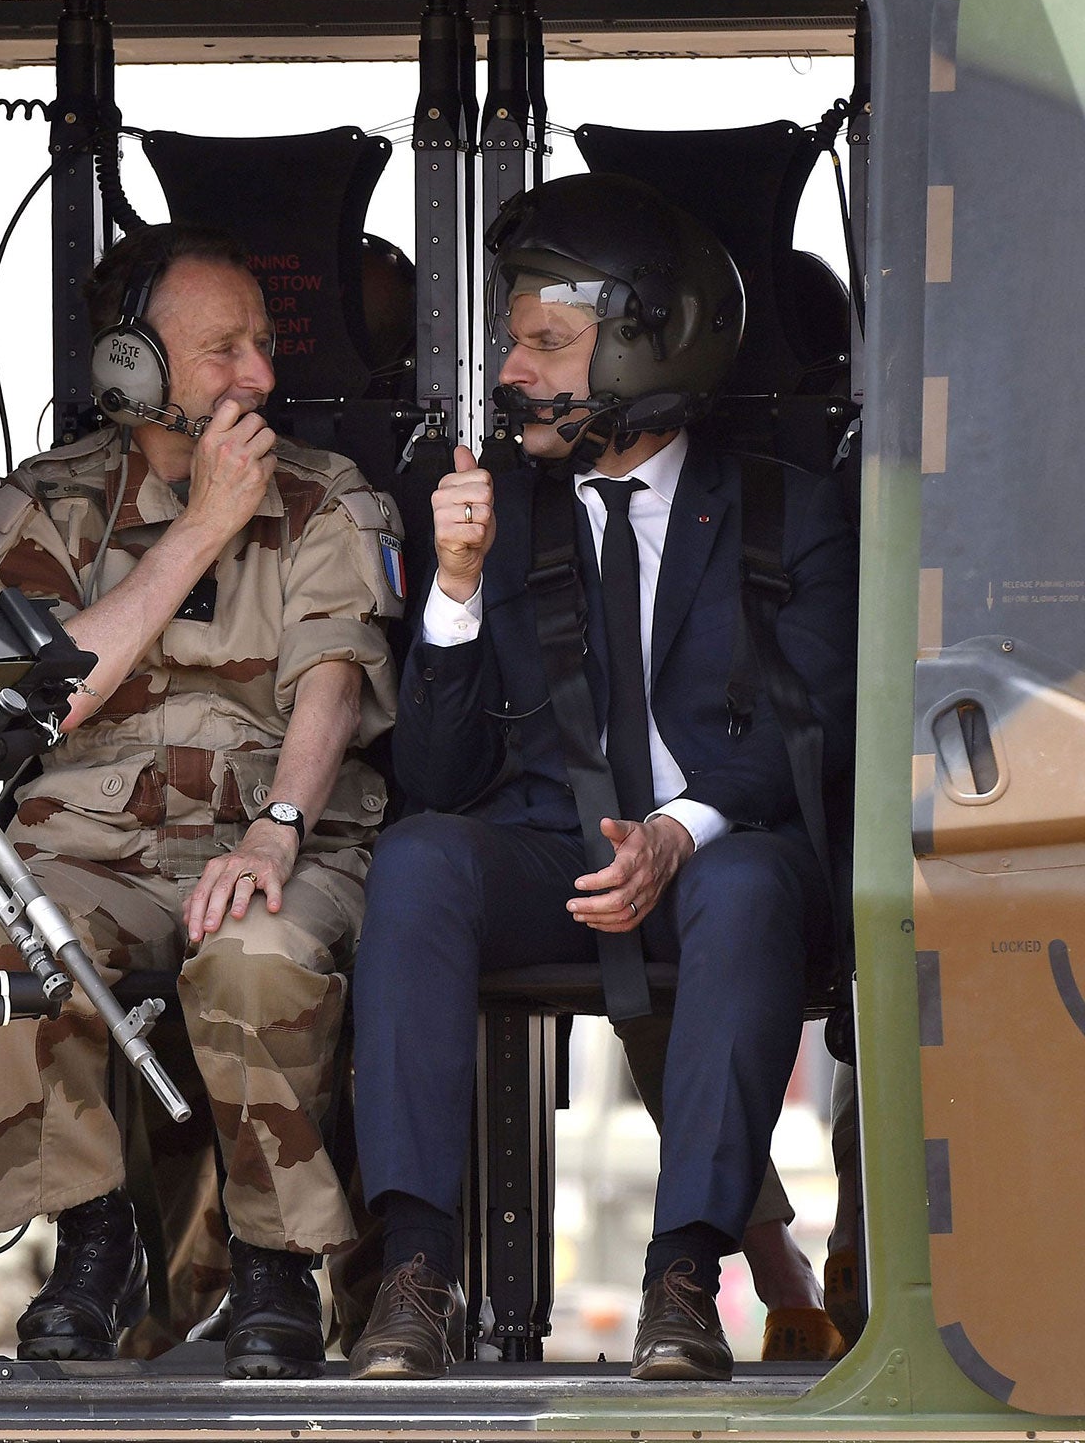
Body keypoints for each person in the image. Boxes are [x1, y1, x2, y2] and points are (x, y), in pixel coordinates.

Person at [348, 173, 857, 1382]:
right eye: (509, 340)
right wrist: (456, 588)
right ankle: (412, 1270)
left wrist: (678, 831)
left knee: (739, 892)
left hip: (723, 853)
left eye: (545, 343)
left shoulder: (791, 511)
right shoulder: (495, 520)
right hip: (546, 851)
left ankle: (683, 1276)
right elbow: (432, 772)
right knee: (417, 860)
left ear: (638, 347)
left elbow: (822, 720)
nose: (511, 370)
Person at [0, 222, 406, 1379]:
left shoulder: (326, 496)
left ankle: (272, 1267)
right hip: (94, 846)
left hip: (278, 838)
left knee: (251, 958)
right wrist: (201, 525)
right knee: (8, 938)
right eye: (222, 351)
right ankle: (93, 1237)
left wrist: (278, 830)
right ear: (133, 367)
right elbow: (45, 702)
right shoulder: (40, 508)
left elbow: (331, 685)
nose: (258, 374)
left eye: (262, 345)